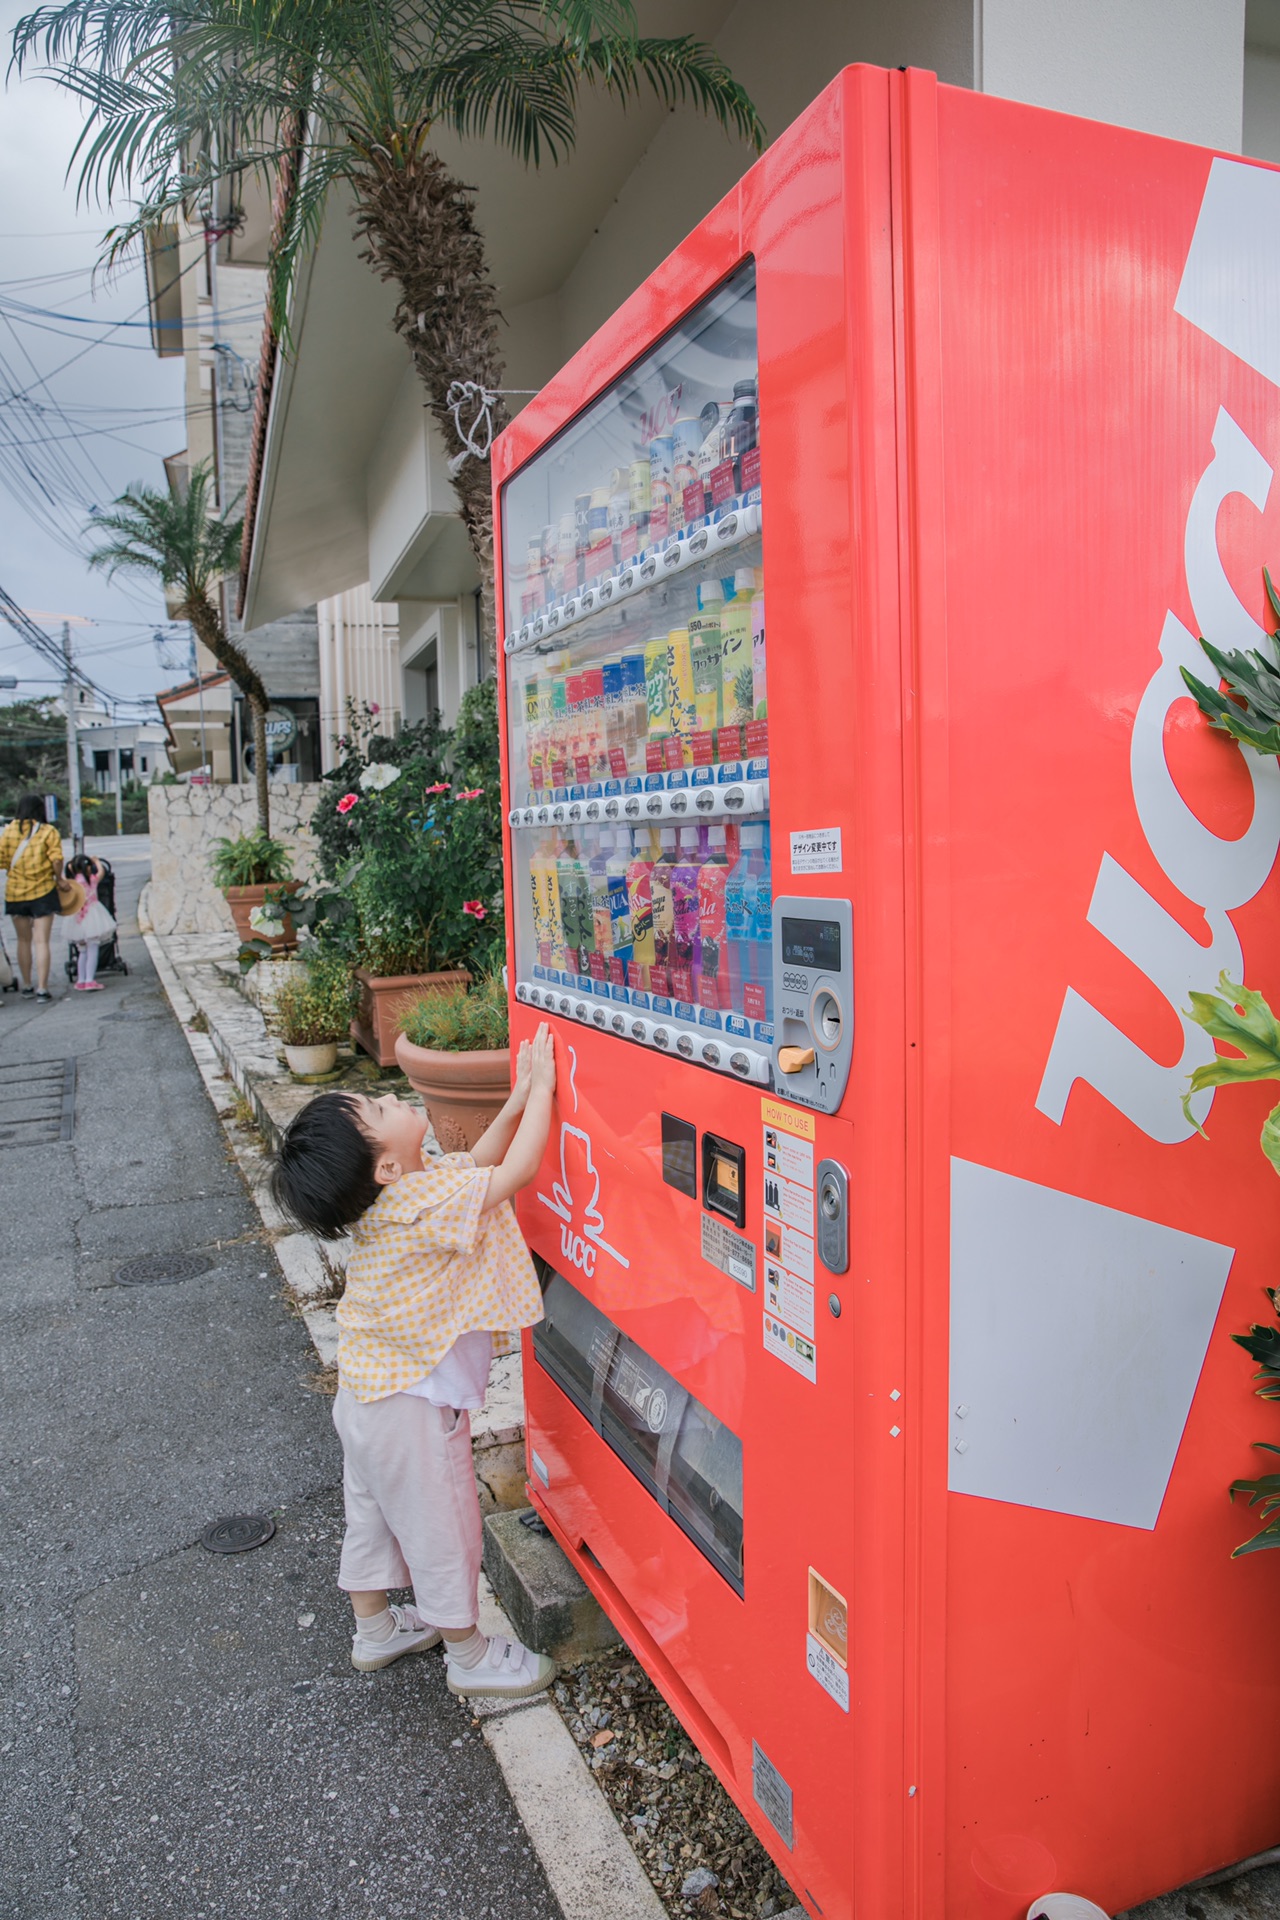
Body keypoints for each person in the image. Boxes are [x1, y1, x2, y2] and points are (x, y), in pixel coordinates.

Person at [270, 1022, 559, 1700]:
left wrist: (516, 1102)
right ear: (386, 1167)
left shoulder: (397, 1201)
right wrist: (546, 1086)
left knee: (370, 1513)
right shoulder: (418, 1203)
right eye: (379, 1109)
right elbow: (514, 1174)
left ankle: (377, 1633)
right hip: (413, 1410)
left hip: (366, 1400)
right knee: (443, 1526)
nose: (395, 1098)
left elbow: (478, 1171)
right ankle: (469, 1653)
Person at [0, 794, 65, 1001]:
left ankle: (27, 985)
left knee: (23, 940)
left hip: (16, 893)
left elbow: (1, 860)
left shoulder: (8, 831)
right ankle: (42, 989)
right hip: (43, 892)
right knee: (41, 941)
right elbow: (56, 859)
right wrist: (60, 878)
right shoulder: (48, 831)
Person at [63, 853, 116, 991]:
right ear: (87, 868)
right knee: (93, 949)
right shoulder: (91, 880)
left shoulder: (73, 883)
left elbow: (69, 868)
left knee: (82, 951)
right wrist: (96, 862)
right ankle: (90, 980)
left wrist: (72, 864)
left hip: (77, 920)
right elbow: (101, 872)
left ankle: (81, 980)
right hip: (92, 918)